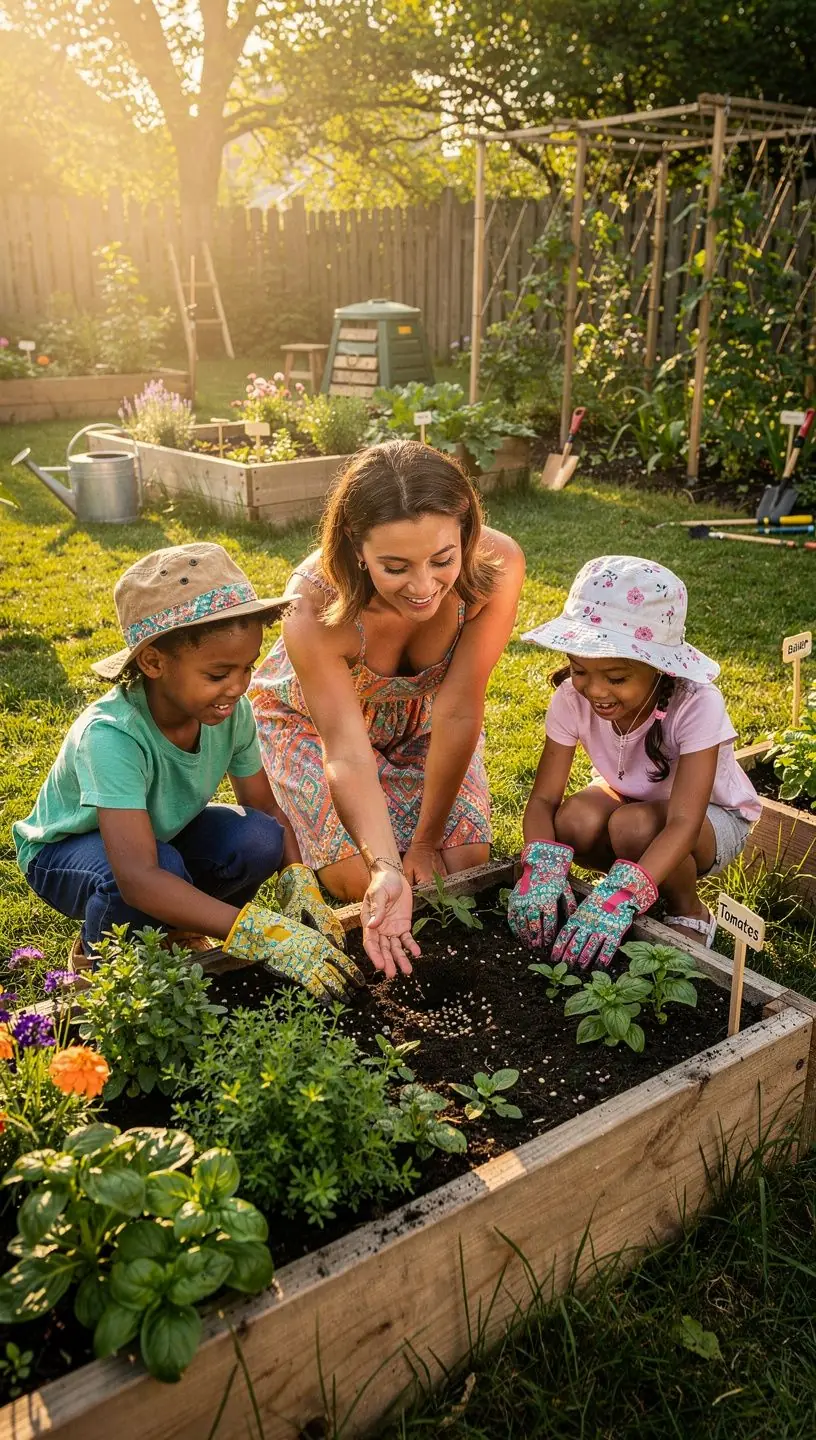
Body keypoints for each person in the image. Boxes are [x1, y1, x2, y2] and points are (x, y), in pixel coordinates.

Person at [13, 542, 364, 1001]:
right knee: (158, 871)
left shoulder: (229, 712)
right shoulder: (112, 737)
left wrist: (298, 878)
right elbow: (137, 875)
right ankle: (102, 964)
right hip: (64, 853)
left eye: (247, 668)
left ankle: (177, 928)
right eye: (219, 674)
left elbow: (263, 807)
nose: (239, 687)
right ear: (154, 662)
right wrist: (255, 930)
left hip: (157, 837)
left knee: (259, 839)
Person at [250, 439, 526, 978]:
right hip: (313, 723)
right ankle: (290, 819)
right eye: (395, 566)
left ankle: (396, 835)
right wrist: (385, 867)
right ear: (355, 546)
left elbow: (459, 708)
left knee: (459, 867)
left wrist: (424, 843)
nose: (424, 587)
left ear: (466, 529)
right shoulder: (311, 603)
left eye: (442, 560)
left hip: (423, 720)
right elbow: (347, 752)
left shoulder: (498, 564)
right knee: (358, 880)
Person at [507, 555, 760, 966]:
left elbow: (683, 822)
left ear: (660, 669)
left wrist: (625, 893)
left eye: (617, 678)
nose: (595, 690)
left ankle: (687, 910)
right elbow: (543, 802)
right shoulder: (571, 698)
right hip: (630, 796)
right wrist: (541, 864)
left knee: (634, 827)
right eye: (580, 670)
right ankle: (634, 882)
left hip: (710, 820)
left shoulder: (696, 704)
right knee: (573, 820)